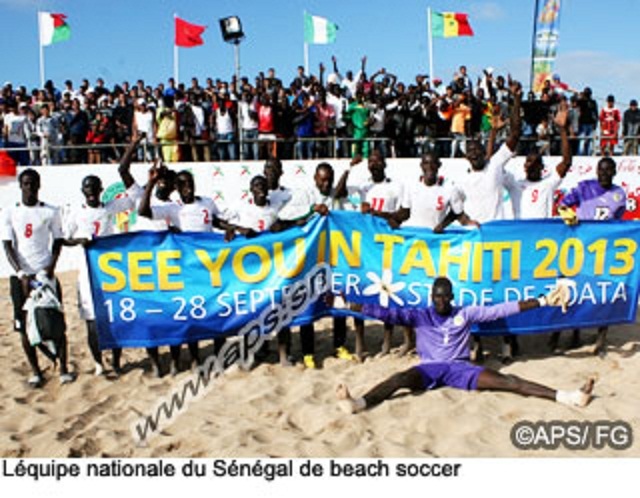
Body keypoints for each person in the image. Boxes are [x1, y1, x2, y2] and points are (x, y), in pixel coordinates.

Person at [335, 276, 594, 413]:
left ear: (451, 297)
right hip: (431, 368)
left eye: (445, 297)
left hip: (461, 369)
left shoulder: (465, 313)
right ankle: (359, 403)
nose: (441, 301)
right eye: (437, 297)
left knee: (510, 382)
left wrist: (543, 300)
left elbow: (500, 310)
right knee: (399, 379)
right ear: (431, 297)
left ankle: (569, 397)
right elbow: (385, 313)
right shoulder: (420, 315)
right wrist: (350, 305)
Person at [442, 81, 523, 363]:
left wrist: (515, 101)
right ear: (466, 155)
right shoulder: (463, 179)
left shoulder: (495, 165)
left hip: (500, 241)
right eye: (471, 151)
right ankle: (475, 343)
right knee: (474, 296)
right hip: (474, 244)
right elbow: (455, 208)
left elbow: (515, 133)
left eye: (479, 150)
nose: (475, 153)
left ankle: (507, 343)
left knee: (503, 294)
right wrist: (465, 220)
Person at [63, 137, 142, 376]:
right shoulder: (76, 213)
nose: (91, 192)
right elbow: (64, 239)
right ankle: (99, 364)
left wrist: (132, 149)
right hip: (87, 275)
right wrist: (81, 241)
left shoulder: (110, 207)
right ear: (82, 192)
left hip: (111, 273)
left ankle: (116, 363)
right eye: (87, 188)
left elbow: (135, 195)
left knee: (114, 318)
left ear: (100, 191)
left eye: (95, 188)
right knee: (91, 322)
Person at [138, 164, 226, 369]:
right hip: (186, 270)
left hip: (209, 268)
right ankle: (195, 358)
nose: (188, 188)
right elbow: (143, 211)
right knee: (191, 315)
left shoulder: (207, 202)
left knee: (217, 310)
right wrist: (151, 182)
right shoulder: (173, 207)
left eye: (191, 183)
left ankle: (219, 356)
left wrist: (234, 230)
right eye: (183, 185)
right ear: (177, 188)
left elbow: (217, 222)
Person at [2, 169, 74, 387]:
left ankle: (63, 369)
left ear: (39, 185)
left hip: (45, 276)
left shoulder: (50, 212)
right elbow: (7, 245)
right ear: (20, 185)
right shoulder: (9, 212)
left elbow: (58, 241)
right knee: (23, 326)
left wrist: (50, 268)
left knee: (57, 323)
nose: (30, 187)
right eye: (25, 183)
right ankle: (36, 372)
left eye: (33, 183)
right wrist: (20, 273)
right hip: (21, 277)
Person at [557, 156, 626, 355]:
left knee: (605, 293)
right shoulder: (584, 187)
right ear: (596, 171)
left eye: (608, 170)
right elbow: (563, 204)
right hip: (581, 249)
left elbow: (619, 224)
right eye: (601, 170)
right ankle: (575, 333)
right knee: (577, 291)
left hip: (604, 252)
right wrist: (567, 215)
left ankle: (601, 338)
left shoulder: (619, 194)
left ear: (614, 172)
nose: (604, 174)